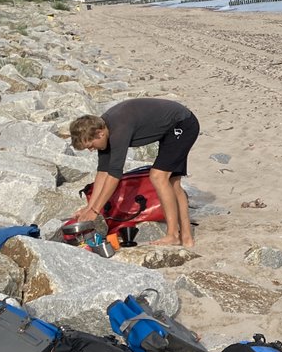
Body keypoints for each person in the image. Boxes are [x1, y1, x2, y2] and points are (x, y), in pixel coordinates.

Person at [69, 98, 200, 247]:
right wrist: (89, 208)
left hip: (183, 124)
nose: (91, 150)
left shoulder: (119, 131)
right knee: (173, 184)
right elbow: (103, 173)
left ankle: (172, 235)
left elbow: (114, 175)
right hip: (170, 128)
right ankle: (187, 237)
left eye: (90, 146)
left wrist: (95, 210)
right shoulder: (104, 133)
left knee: (158, 176)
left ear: (99, 134)